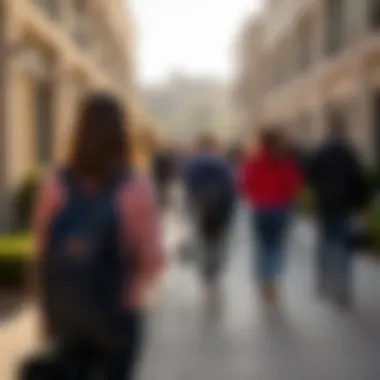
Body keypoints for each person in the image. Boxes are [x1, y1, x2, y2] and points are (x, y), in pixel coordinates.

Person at [31, 93, 164, 379]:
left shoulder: (54, 183)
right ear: (122, 134)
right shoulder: (136, 186)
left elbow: (41, 254)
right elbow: (151, 263)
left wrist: (46, 313)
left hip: (66, 312)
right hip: (117, 311)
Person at [308, 113, 368, 308]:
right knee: (343, 247)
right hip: (344, 205)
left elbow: (310, 177)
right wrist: (360, 206)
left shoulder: (320, 151)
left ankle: (324, 280)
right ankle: (342, 288)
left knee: (325, 243)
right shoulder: (349, 152)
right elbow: (358, 180)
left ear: (328, 132)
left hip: (325, 205)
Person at [238, 127, 302, 306]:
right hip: (281, 209)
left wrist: (255, 196)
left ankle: (263, 284)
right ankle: (274, 283)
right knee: (276, 246)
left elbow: (244, 184)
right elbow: (294, 186)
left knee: (261, 246)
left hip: (260, 209)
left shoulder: (254, 160)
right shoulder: (285, 161)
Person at [182, 133, 236, 312]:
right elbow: (231, 190)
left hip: (202, 211)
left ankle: (206, 279)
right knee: (218, 245)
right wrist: (229, 214)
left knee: (204, 244)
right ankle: (215, 277)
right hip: (220, 212)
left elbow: (188, 189)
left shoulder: (193, 164)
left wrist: (190, 211)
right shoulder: (223, 164)